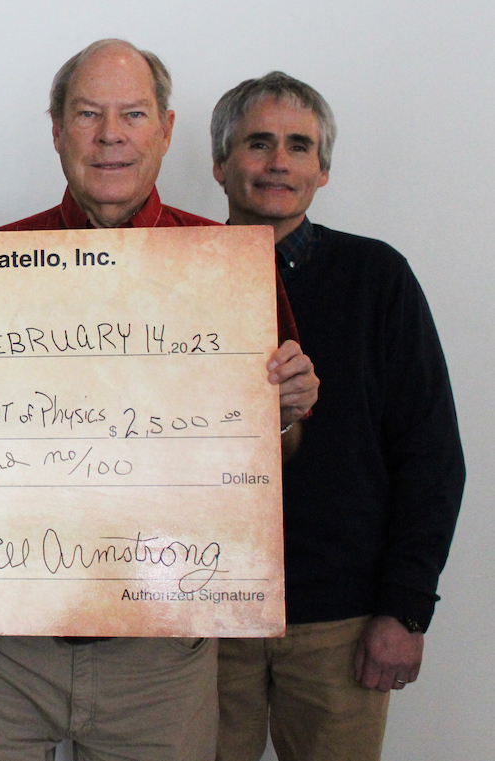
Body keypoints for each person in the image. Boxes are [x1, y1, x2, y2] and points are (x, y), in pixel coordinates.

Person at [0, 39, 318, 760]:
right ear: (56, 130)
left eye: (132, 114)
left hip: (161, 657)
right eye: (87, 113)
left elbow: (278, 449)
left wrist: (285, 413)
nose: (110, 134)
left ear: (166, 131)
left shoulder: (227, 268)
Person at [210, 71, 464, 761]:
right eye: (258, 143)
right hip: (203, 620)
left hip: (340, 624)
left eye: (299, 146)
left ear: (322, 170)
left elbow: (432, 453)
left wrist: (405, 607)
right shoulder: (175, 274)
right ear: (220, 162)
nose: (277, 162)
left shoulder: (378, 279)